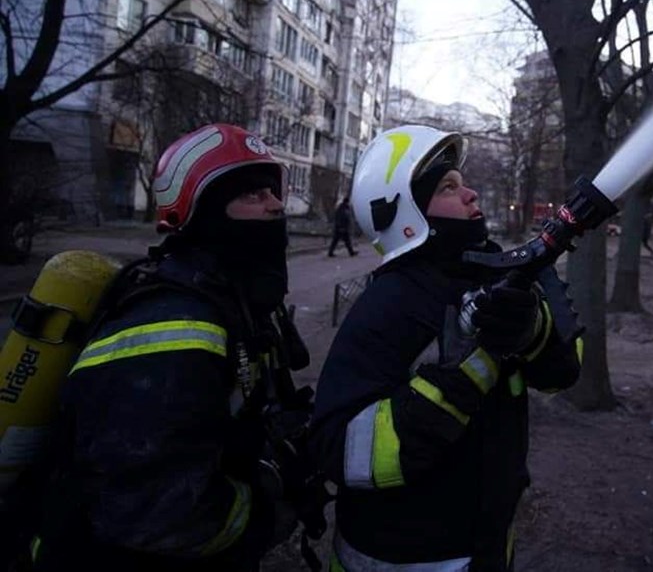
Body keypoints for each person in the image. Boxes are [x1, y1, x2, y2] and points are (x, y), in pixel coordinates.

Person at [30, 124, 304, 572]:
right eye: (253, 195)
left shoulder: (231, 301)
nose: (276, 206)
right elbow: (160, 515)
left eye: (272, 192)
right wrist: (268, 512)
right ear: (206, 216)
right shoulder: (174, 326)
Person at [309, 124, 583, 571]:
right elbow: (339, 452)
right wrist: (457, 378)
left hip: (485, 545)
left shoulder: (492, 279)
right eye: (448, 187)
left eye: (462, 181)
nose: (471, 193)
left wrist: (532, 330)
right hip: (404, 557)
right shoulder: (390, 305)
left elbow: (565, 373)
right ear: (407, 215)